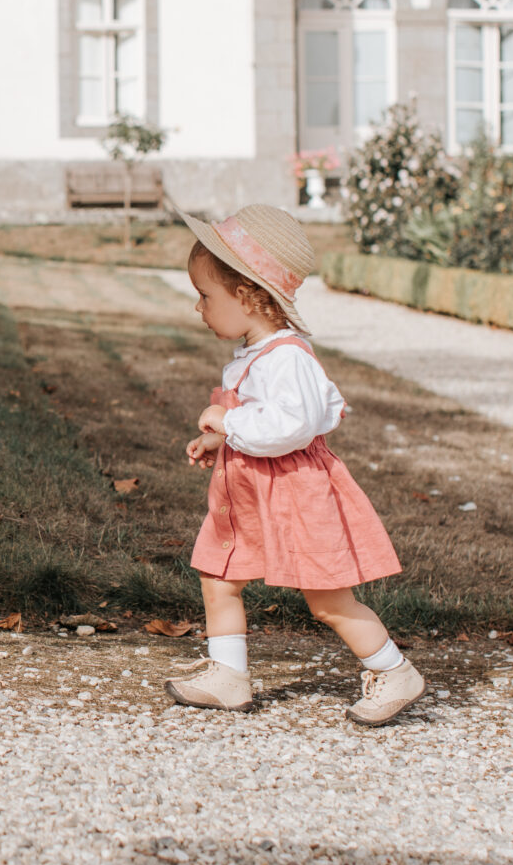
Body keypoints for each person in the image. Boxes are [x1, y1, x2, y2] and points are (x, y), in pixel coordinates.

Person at [165, 203, 425, 727]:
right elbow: (264, 419)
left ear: (246, 296)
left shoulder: (288, 357)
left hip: (295, 495)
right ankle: (229, 674)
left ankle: (393, 669)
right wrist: (221, 438)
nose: (199, 308)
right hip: (248, 494)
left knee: (326, 597)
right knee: (218, 575)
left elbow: (295, 425)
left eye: (205, 296)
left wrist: (228, 421)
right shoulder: (256, 353)